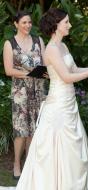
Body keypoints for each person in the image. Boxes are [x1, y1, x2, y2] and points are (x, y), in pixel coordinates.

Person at [14, 8, 88, 190]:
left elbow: (74, 70)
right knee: (57, 149)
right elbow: (66, 77)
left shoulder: (63, 46)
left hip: (69, 104)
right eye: (66, 22)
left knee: (72, 150)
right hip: (58, 107)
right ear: (56, 26)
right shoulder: (51, 49)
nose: (70, 25)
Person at [3, 11, 46, 180]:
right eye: (24, 22)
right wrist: (30, 74)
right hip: (20, 92)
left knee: (34, 129)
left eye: (29, 22)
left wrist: (38, 73)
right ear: (16, 24)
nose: (28, 25)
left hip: (38, 90)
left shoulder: (38, 41)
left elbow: (44, 65)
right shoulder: (9, 43)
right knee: (21, 130)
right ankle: (16, 164)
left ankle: (29, 164)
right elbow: (8, 70)